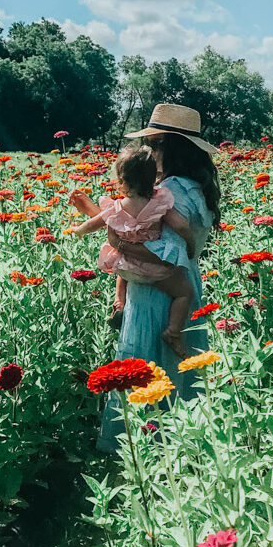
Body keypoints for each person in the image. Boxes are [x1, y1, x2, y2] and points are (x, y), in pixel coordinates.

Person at [68, 103, 221, 452]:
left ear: (169, 146)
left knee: (151, 365)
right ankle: (185, 444)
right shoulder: (194, 186)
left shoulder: (172, 192)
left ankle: (151, 446)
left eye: (153, 143)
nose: (149, 151)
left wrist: (120, 244)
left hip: (157, 292)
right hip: (182, 284)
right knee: (181, 370)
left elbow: (161, 254)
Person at [71, 145, 195, 360]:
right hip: (154, 269)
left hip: (126, 266)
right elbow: (182, 226)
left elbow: (93, 224)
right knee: (184, 292)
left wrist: (78, 230)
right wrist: (190, 245)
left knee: (122, 267)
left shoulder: (116, 208)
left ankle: (119, 302)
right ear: (152, 178)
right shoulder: (158, 205)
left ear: (122, 181)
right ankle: (173, 332)